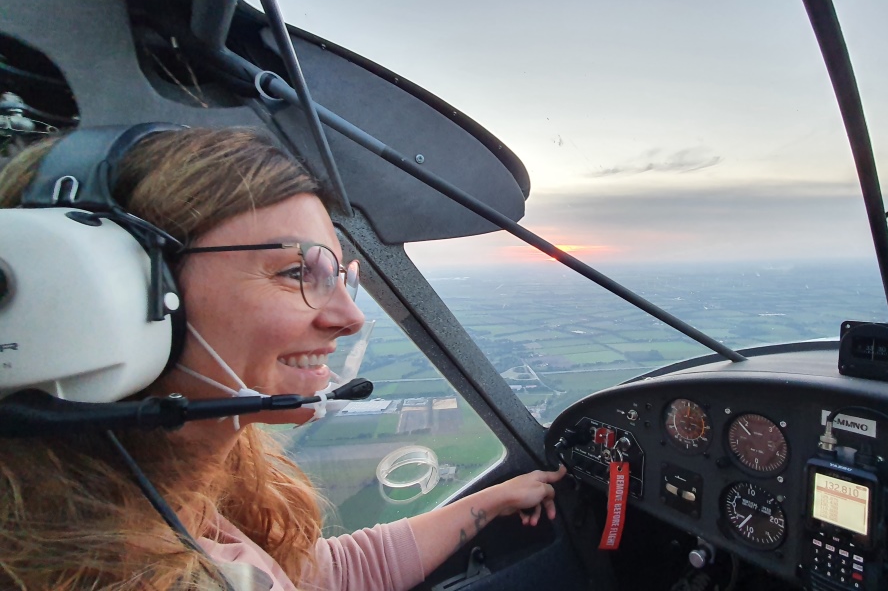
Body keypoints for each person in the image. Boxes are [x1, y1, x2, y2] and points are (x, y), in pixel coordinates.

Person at [0, 127, 566, 590]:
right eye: (299, 272)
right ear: (107, 296)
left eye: (341, 276)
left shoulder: (167, 497)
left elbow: (319, 575)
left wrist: (490, 502)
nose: (351, 317)